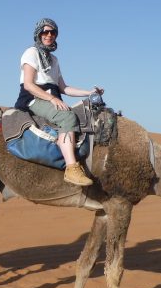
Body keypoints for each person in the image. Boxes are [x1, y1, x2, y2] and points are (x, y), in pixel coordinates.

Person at [15, 18, 101, 186]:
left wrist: (89, 92)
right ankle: (71, 169)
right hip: (34, 98)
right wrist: (52, 98)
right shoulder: (31, 53)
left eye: (52, 32)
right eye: (45, 32)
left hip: (52, 96)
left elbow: (64, 88)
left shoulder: (54, 59)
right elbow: (28, 84)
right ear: (38, 33)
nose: (49, 35)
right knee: (67, 117)